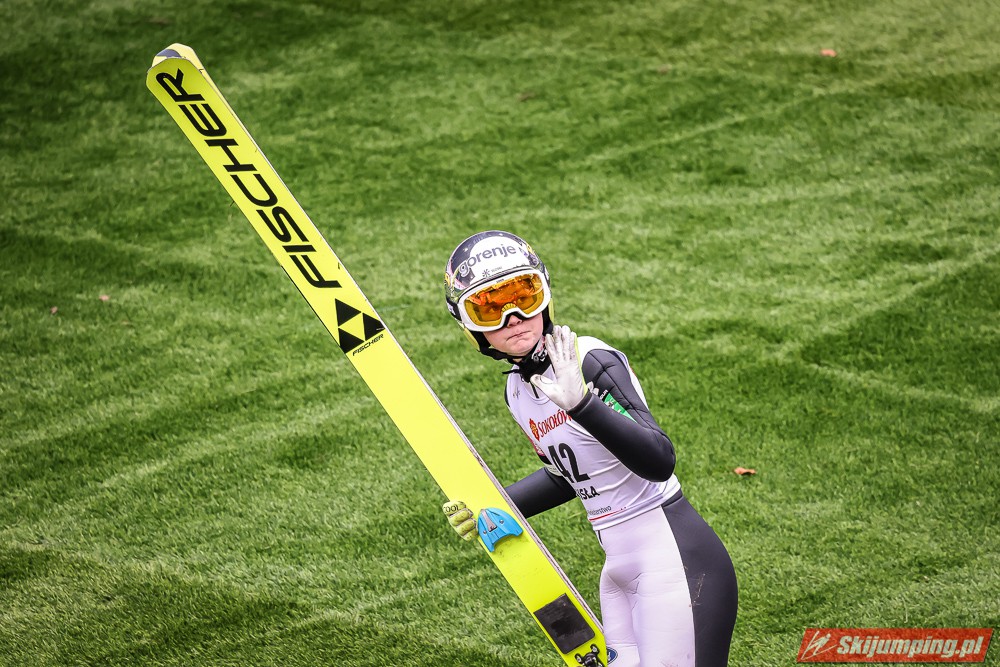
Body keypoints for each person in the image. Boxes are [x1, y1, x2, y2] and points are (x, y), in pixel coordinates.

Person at [440, 230, 738, 667]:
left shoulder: (589, 360)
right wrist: (492, 506)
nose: (513, 317)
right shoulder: (518, 392)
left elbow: (659, 460)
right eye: (490, 308)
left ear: (545, 296)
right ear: (470, 326)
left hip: (675, 561)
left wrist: (582, 404)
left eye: (523, 295)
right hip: (618, 572)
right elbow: (568, 478)